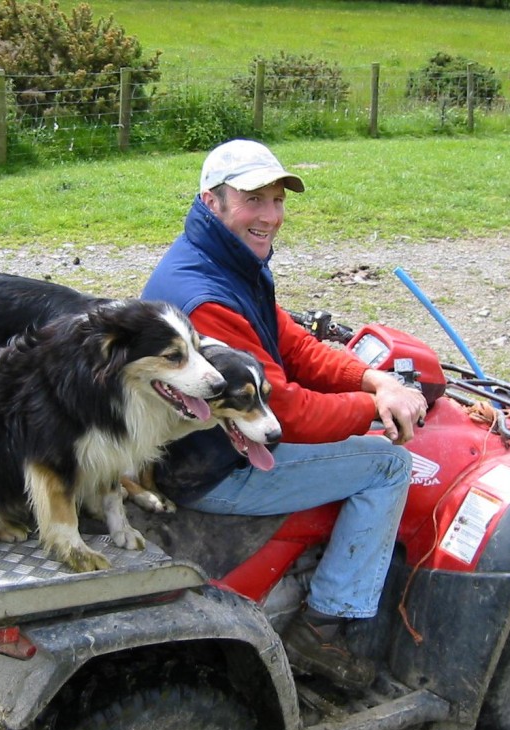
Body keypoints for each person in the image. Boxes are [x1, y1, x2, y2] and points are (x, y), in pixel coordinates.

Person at [142, 139, 428, 689]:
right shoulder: (208, 297)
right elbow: (288, 415)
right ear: (212, 200)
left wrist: (370, 377)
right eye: (253, 200)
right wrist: (375, 408)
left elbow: (290, 342)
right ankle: (322, 629)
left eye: (277, 200)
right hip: (209, 465)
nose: (270, 216)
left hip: (210, 443)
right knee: (387, 465)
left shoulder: (226, 262)